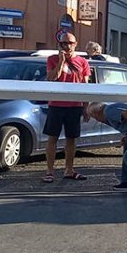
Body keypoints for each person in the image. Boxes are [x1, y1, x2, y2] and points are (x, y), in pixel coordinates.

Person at [43, 31, 91, 183]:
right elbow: (52, 78)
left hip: (74, 105)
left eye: (70, 43)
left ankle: (69, 170)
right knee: (52, 138)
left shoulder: (83, 62)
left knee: (71, 138)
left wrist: (86, 107)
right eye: (64, 43)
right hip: (56, 105)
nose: (67, 46)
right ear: (60, 45)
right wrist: (61, 61)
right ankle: (50, 171)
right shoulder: (52, 59)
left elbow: (85, 85)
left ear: (75, 44)